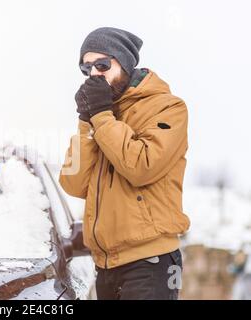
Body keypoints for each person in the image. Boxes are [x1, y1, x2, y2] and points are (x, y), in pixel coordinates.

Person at [59, 27, 190, 300]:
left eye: (102, 64)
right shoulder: (99, 117)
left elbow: (141, 166)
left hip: (152, 263)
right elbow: (73, 183)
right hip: (105, 266)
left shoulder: (167, 107)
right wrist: (86, 123)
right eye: (86, 68)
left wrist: (102, 115)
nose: (94, 74)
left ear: (125, 63)